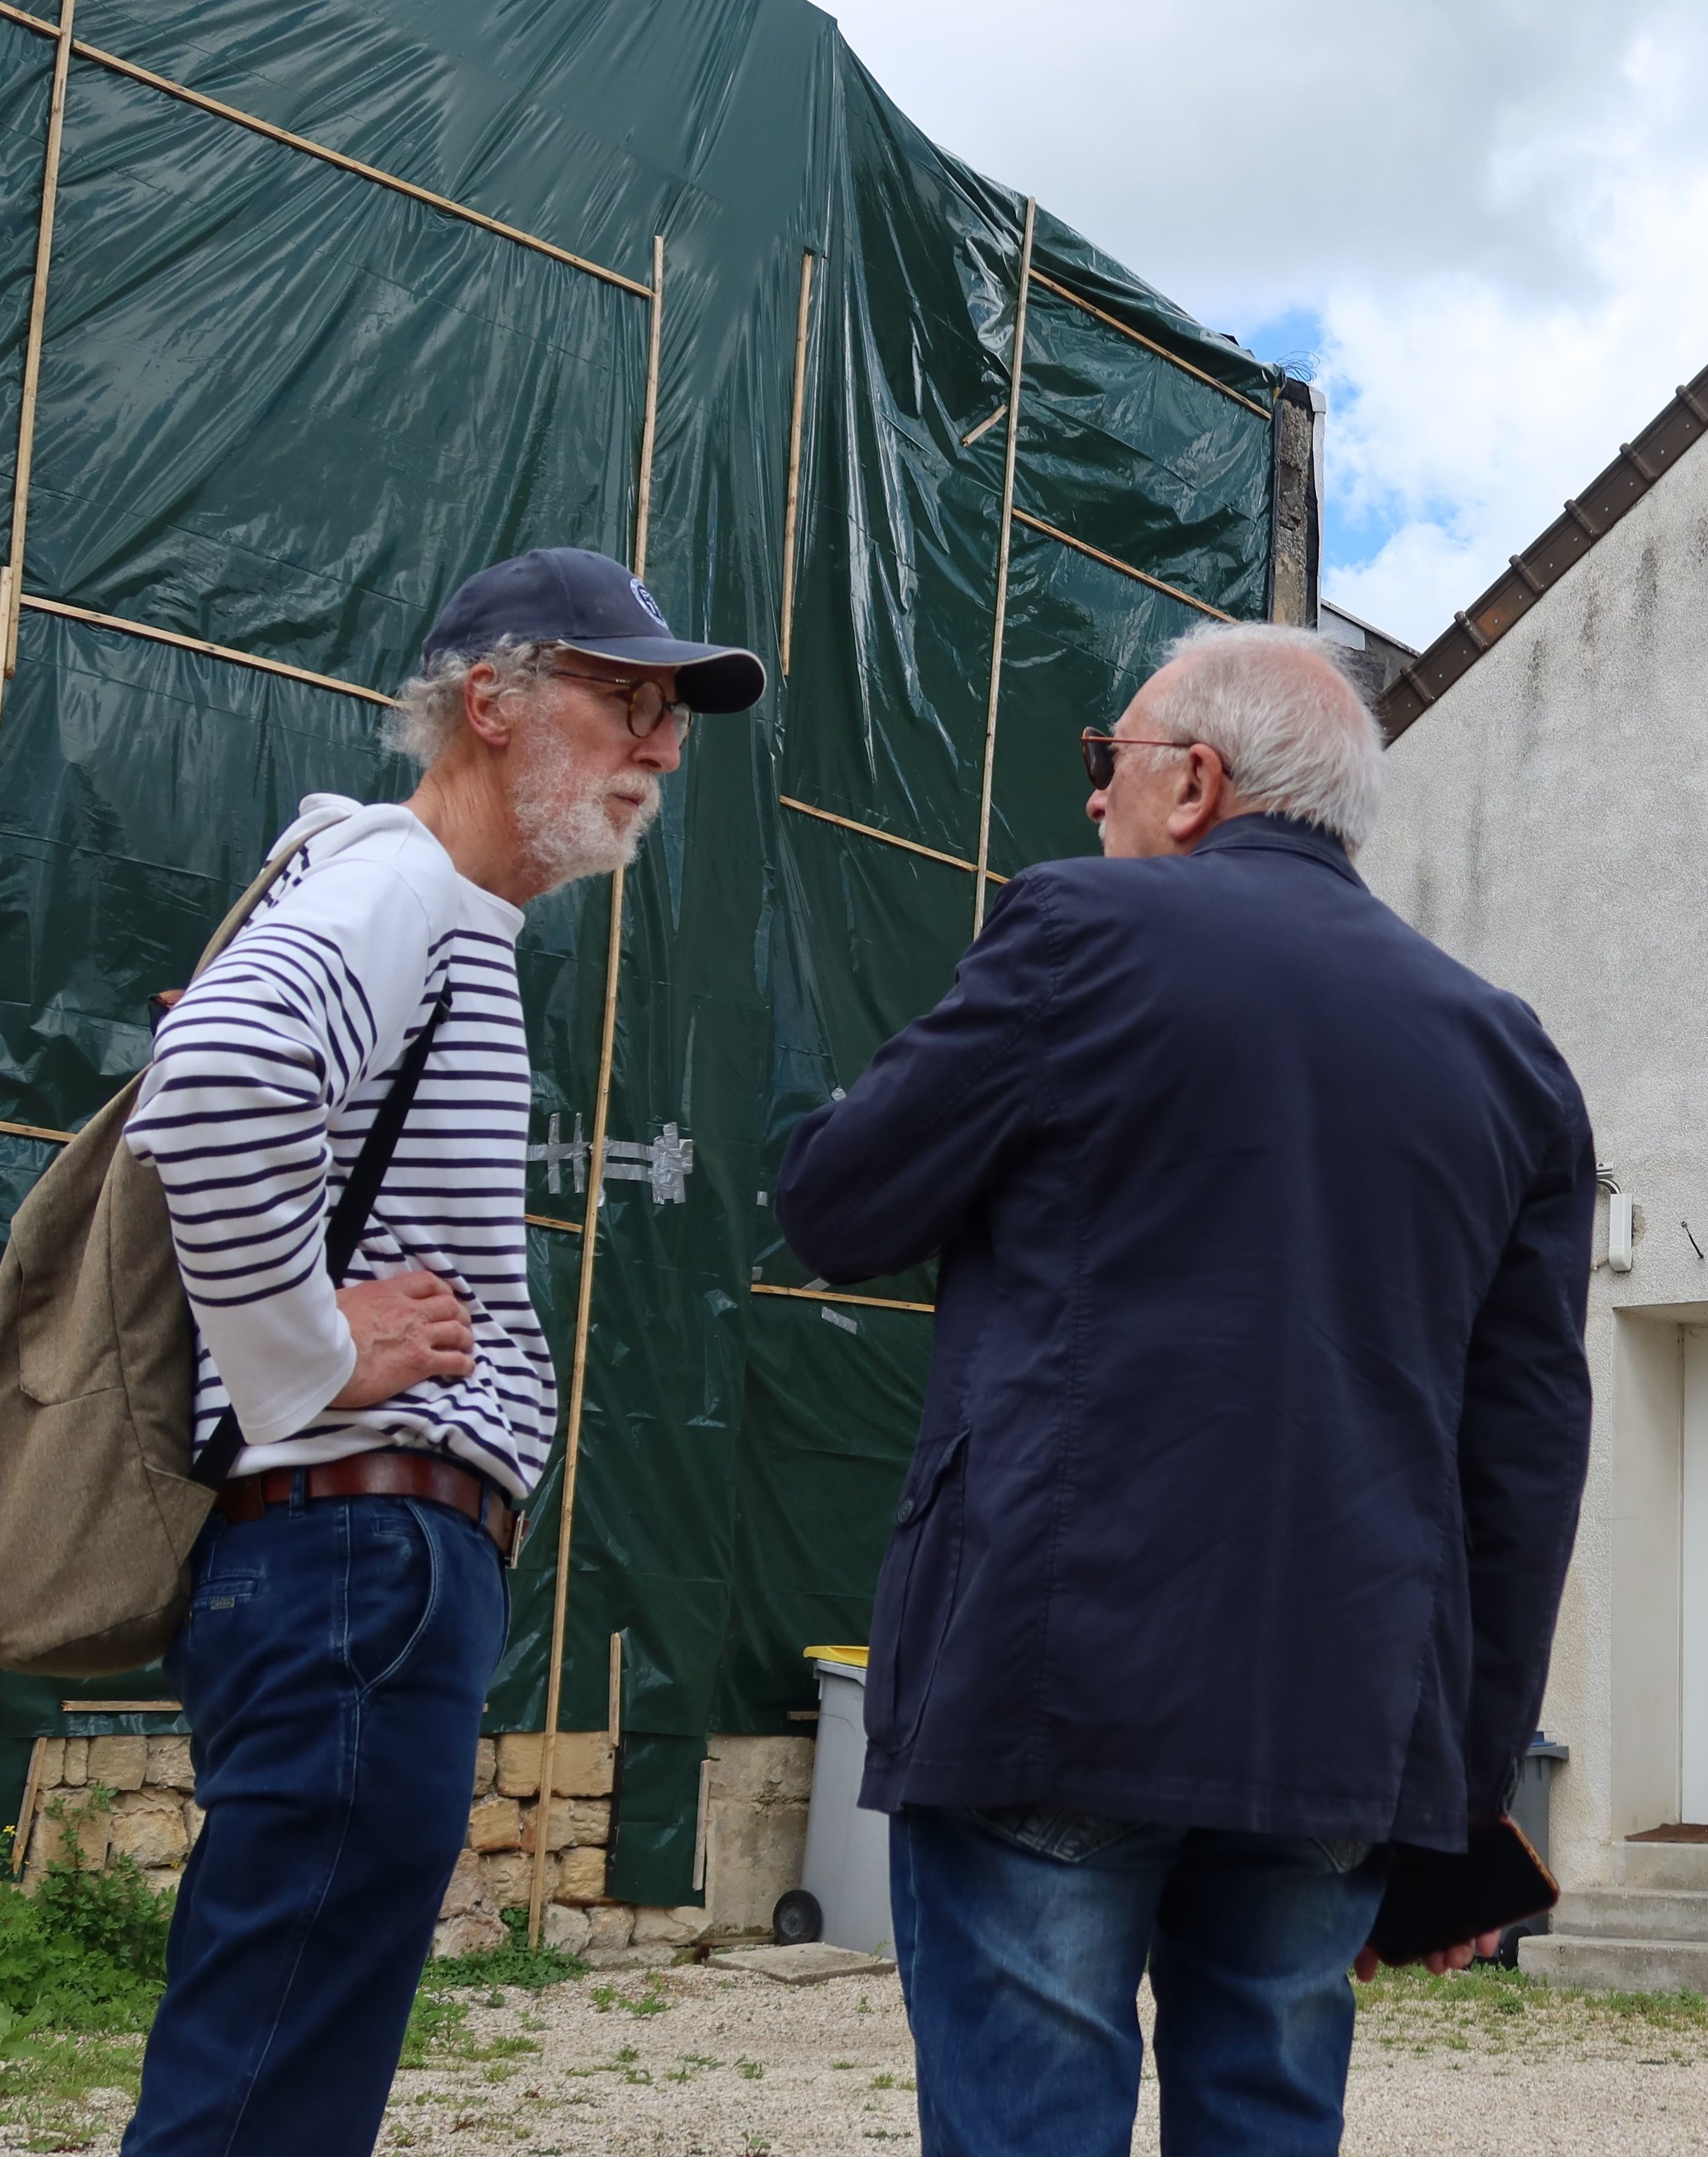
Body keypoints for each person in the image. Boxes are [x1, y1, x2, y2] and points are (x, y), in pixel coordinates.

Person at [772, 622, 1596, 2157]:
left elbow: (839, 1205)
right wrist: (1465, 1786)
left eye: (1109, 762)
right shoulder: (1507, 1055)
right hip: (1344, 1709)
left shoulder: (1080, 931)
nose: (1093, 801)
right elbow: (1523, 1454)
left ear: (1197, 780)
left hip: (1056, 1667)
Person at [118, 548, 764, 2156]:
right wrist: (311, 1353)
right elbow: (209, 1081)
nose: (662, 745)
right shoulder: (397, 882)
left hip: (352, 1560)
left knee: (283, 2054)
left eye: (671, 711)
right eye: (625, 697)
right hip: (356, 1543)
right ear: (491, 702)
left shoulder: (435, 904)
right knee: (269, 2078)